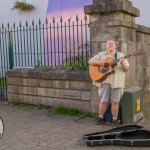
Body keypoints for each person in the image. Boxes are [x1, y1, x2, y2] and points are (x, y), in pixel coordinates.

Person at [88, 40, 129, 128]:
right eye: (108, 43)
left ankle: (114, 120)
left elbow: (126, 69)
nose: (110, 44)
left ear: (115, 46)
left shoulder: (121, 56)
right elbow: (90, 61)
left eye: (112, 43)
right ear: (106, 46)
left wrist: (122, 64)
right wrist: (101, 63)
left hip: (117, 81)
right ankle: (100, 119)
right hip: (104, 81)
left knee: (115, 102)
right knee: (103, 101)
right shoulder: (101, 54)